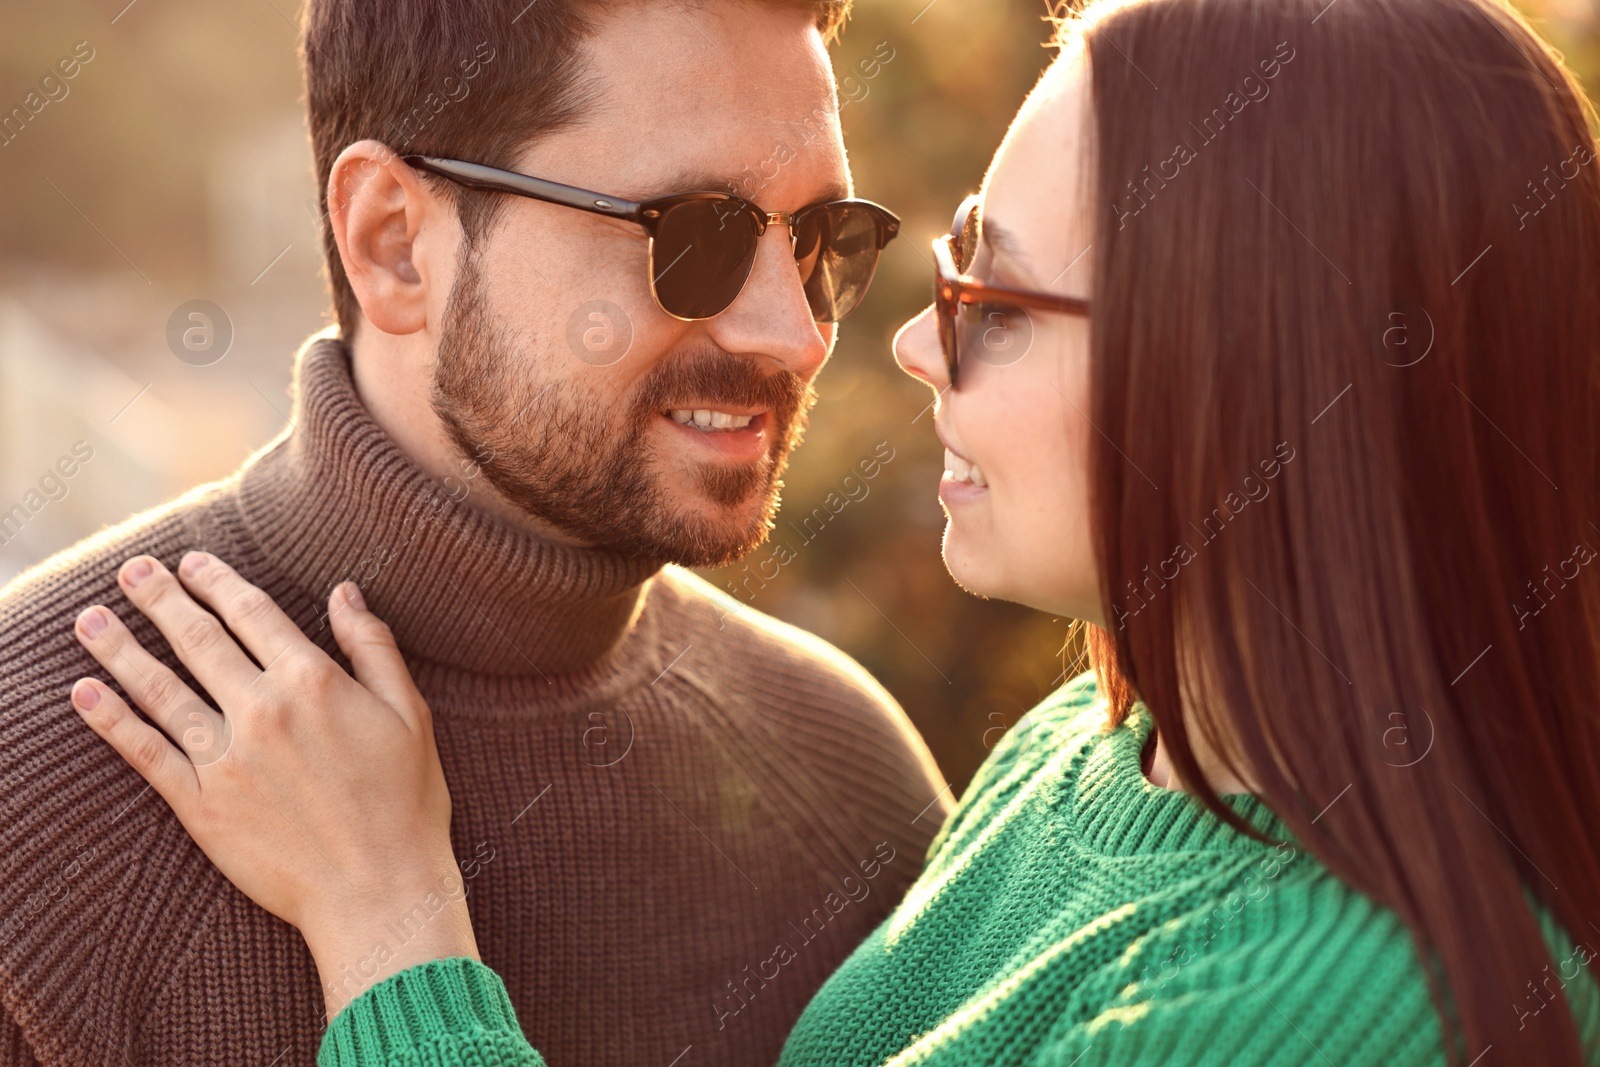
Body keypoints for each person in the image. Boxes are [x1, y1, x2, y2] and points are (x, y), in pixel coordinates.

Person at [65, 0, 1600, 1063]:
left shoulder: (1341, 987)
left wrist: (392, 925)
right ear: (391, 238)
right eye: (695, 236)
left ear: (1260, 371)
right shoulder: (1092, 753)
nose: (835, 340)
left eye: (985, 301)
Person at [0, 2, 951, 1065]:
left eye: (822, 238)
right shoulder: (25, 790)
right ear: (394, 243)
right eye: (695, 234)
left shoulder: (851, 777)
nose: (797, 330)